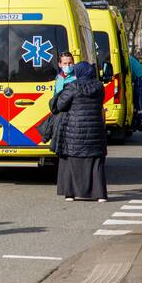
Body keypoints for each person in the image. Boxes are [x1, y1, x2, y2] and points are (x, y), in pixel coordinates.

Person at [51, 61, 107, 202]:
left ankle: (70, 193)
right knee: (95, 163)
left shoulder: (72, 86)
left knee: (71, 161)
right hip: (95, 130)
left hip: (74, 130)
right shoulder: (99, 87)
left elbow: (60, 105)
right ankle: (100, 194)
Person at [129, 54, 142, 130]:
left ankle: (141, 119)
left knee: (139, 96)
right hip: (141, 75)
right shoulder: (127, 56)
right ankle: (138, 117)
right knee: (136, 96)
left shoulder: (124, 59)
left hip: (140, 76)